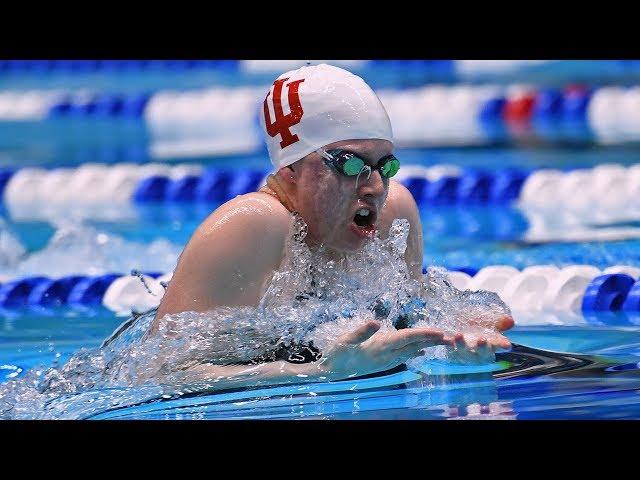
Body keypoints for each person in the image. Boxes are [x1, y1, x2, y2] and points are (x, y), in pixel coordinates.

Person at [153, 64, 513, 388]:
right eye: (349, 165)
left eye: (384, 166)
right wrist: (319, 373)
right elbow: (160, 375)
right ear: (289, 169)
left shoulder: (394, 214)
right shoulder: (254, 225)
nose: (374, 187)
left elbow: (408, 320)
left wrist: (451, 344)